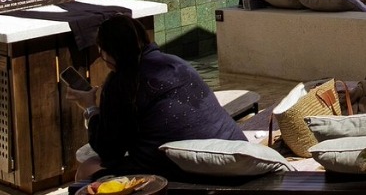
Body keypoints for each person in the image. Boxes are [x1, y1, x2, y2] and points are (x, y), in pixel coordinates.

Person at [65, 14, 245, 180]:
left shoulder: (123, 83)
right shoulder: (175, 62)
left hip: (194, 170)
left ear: (107, 53)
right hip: (237, 154)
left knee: (88, 169)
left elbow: (109, 150)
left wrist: (90, 108)